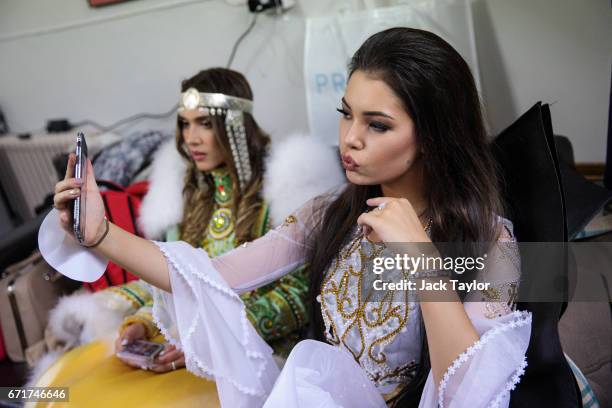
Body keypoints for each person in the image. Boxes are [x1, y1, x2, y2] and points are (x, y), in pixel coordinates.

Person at [51, 28, 532, 407]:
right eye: (347, 115)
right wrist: (100, 234)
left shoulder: (491, 244)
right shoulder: (333, 213)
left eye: (377, 124)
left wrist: (421, 259)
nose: (350, 139)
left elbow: (466, 394)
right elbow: (211, 275)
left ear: (434, 134)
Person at [35, 68, 315, 407]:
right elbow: (170, 278)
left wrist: (204, 338)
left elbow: (298, 296)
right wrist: (143, 321)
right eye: (184, 123)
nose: (191, 137)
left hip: (256, 352)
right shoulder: (184, 190)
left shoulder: (282, 187)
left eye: (205, 123)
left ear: (235, 125)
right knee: (68, 388)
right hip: (181, 343)